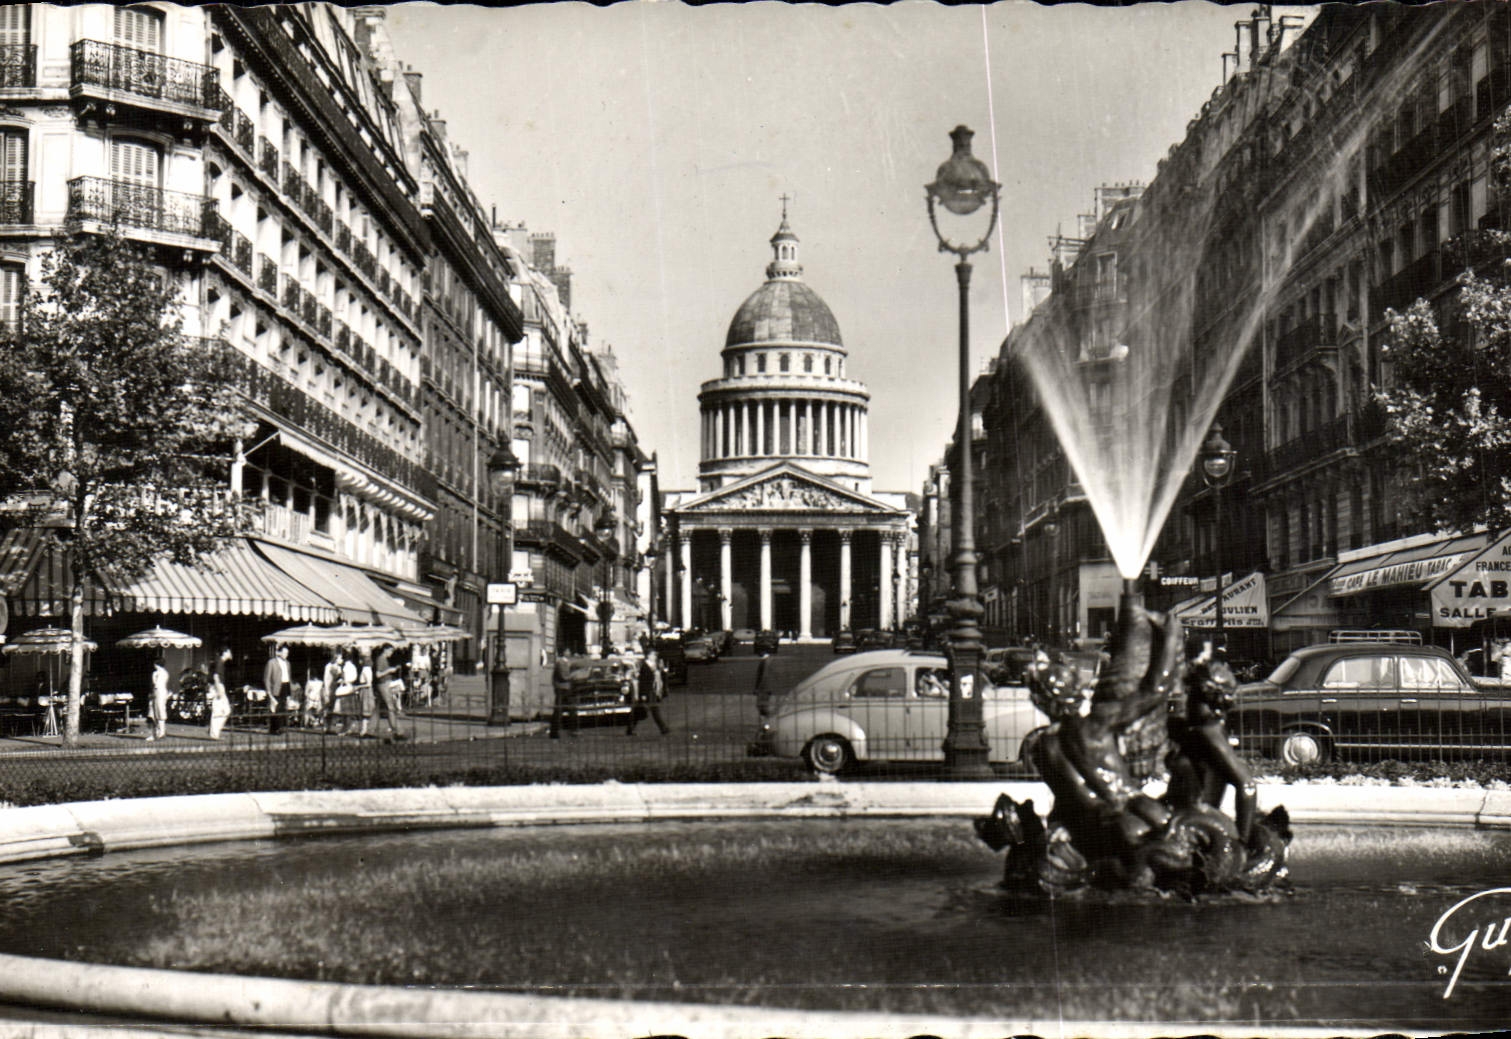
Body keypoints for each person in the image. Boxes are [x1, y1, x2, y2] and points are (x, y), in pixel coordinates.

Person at [626, 648, 671, 736]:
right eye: (653, 655)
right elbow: (643, 682)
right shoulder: (645, 667)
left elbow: (661, 678)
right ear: (649, 656)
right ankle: (663, 728)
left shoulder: (655, 665)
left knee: (642, 711)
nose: (655, 657)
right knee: (653, 710)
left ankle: (630, 729)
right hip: (647, 692)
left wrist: (663, 671)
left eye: (655, 655)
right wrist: (643, 694)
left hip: (653, 691)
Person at [373, 643, 407, 741]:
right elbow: (378, 674)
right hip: (383, 684)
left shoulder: (382, 659)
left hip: (384, 684)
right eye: (390, 651)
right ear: (385, 650)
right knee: (390, 707)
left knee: (378, 708)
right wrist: (389, 670)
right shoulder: (381, 659)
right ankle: (398, 731)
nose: (391, 653)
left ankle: (369, 730)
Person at [549, 647, 578, 739]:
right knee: (559, 711)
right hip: (562, 689)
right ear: (564, 652)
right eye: (567, 651)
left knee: (570, 710)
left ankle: (571, 730)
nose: (569, 652)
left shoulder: (567, 662)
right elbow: (564, 677)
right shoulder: (561, 662)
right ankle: (555, 731)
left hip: (566, 688)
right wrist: (573, 676)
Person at [263, 645, 289, 735]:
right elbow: (267, 678)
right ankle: (274, 728)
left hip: (285, 685)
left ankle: (280, 727)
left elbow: (288, 676)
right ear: (279, 652)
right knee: (275, 707)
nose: (286, 654)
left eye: (287, 653)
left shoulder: (287, 663)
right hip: (276, 687)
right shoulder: (272, 662)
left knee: (282, 707)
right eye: (284, 652)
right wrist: (269, 691)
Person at [147, 656, 170, 741]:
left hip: (160, 693)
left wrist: (153, 692)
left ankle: (161, 732)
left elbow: (157, 684)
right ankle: (155, 733)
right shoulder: (156, 673)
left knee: (160, 711)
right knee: (153, 712)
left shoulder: (162, 673)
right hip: (157, 692)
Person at [354, 649, 375, 738]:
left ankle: (364, 730)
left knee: (365, 710)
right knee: (364, 710)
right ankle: (364, 729)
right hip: (365, 690)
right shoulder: (367, 669)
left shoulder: (366, 670)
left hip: (365, 690)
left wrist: (358, 687)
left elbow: (368, 683)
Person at [207, 669, 231, 740]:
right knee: (217, 716)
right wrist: (216, 680)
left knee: (224, 714)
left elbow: (220, 693)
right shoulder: (213, 686)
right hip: (218, 702)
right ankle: (214, 734)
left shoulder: (219, 685)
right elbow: (219, 694)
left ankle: (213, 732)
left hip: (222, 701)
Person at [753, 644, 774, 719]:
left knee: (762, 705)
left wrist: (758, 689)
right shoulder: (767, 661)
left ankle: (767, 722)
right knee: (762, 705)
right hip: (766, 687)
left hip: (764, 688)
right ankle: (765, 722)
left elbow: (764, 676)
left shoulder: (766, 662)